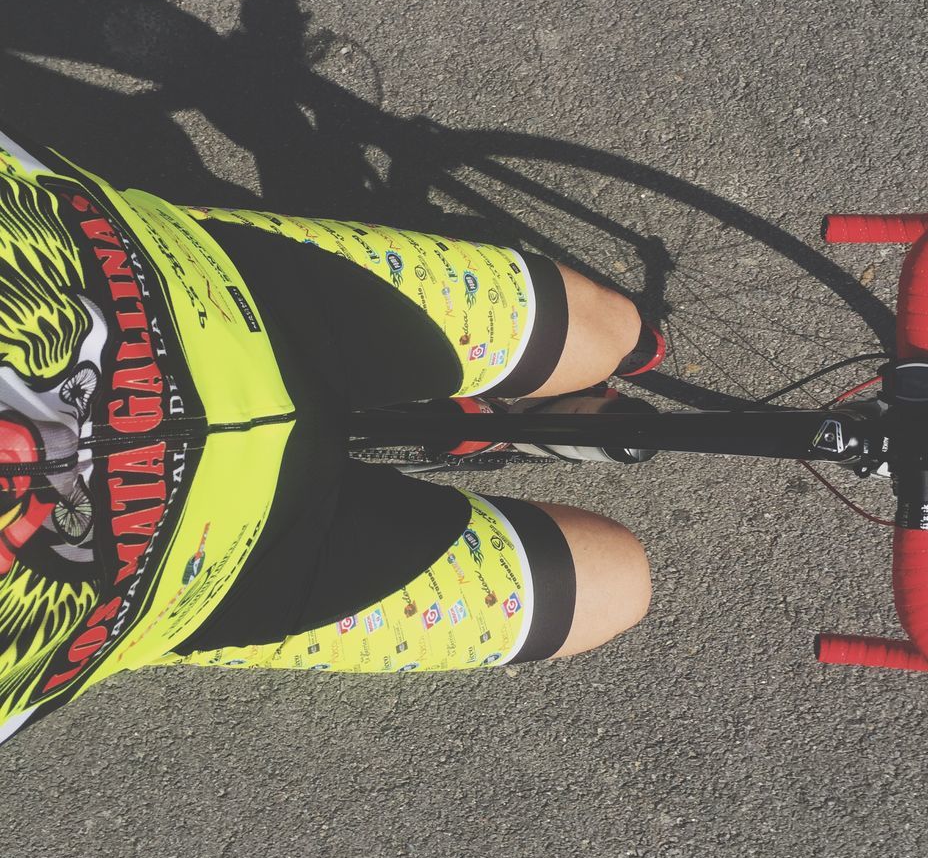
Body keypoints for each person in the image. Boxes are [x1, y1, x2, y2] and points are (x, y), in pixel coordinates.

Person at [0, 122, 655, 743]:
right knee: (616, 586)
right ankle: (532, 428)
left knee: (611, 330)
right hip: (234, 583)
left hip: (231, 290)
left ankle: (520, 412)